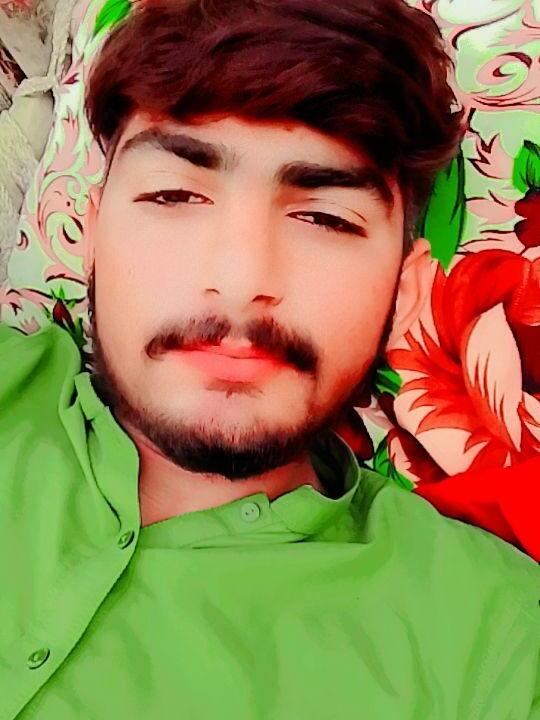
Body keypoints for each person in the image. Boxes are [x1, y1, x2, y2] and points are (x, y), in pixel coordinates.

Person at [0, 0, 537, 717]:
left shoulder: (495, 642)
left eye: (323, 217)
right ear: (90, 238)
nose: (241, 277)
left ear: (405, 292)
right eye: (174, 194)